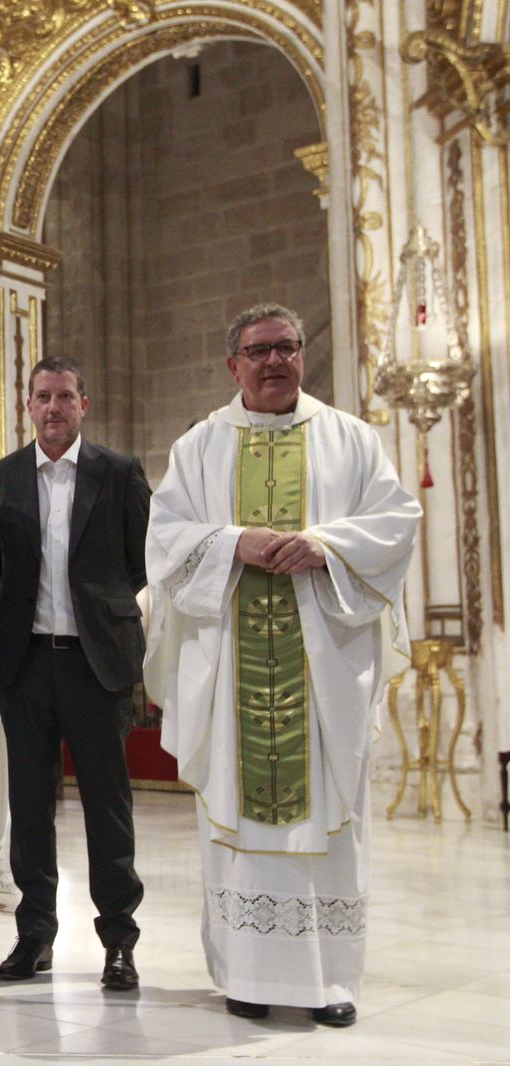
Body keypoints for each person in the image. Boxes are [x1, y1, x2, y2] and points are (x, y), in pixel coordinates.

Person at [146, 304, 420, 1027]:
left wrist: (326, 545)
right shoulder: (200, 446)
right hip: (233, 670)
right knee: (238, 821)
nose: (275, 362)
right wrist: (232, 543)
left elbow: (396, 523)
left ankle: (332, 981)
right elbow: (166, 537)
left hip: (323, 670)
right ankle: (247, 974)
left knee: (331, 822)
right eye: (259, 350)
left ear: (302, 356)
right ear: (232, 363)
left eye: (288, 348)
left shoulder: (351, 441)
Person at [0, 354, 149, 991]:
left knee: (108, 807)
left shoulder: (118, 472)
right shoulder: (2, 477)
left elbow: (139, 562)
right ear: (29, 405)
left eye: (66, 396)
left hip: (95, 663)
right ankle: (35, 936)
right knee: (30, 807)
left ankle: (118, 942)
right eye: (43, 396)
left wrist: (98, 612)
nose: (54, 407)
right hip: (26, 665)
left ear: (84, 404)